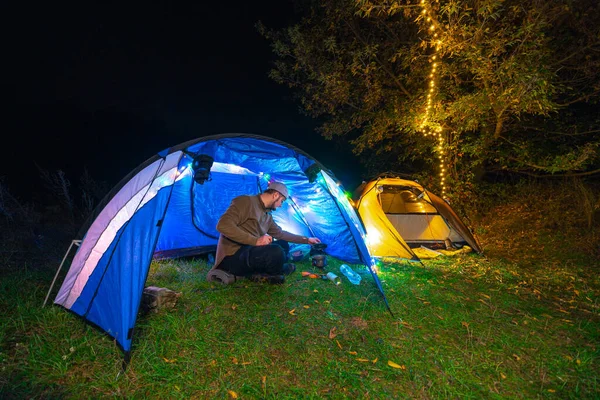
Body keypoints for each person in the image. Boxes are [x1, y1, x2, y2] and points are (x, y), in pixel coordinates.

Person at [211, 181, 321, 284]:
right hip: (232, 258)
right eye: (281, 201)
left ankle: (269, 269)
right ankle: (275, 271)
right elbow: (223, 225)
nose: (280, 205)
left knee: (283, 243)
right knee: (276, 251)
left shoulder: (267, 215)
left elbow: (280, 234)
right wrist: (256, 241)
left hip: (250, 252)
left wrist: (306, 240)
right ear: (276, 195)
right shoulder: (245, 202)